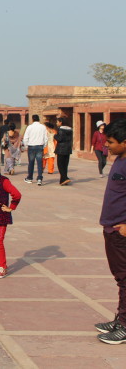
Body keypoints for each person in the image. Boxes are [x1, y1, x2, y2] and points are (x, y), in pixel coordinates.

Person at [95, 119, 126, 344]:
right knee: (120, 277)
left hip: (121, 229)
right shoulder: (119, 160)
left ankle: (125, 325)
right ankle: (121, 318)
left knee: (125, 278)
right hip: (111, 227)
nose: (107, 145)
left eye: (111, 142)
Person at [22, 115, 48, 186]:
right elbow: (46, 138)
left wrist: (26, 146)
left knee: (31, 163)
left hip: (31, 146)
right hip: (40, 146)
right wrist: (44, 146)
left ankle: (30, 178)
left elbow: (25, 138)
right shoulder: (43, 127)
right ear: (39, 119)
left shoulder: (29, 127)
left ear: (32, 119)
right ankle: (39, 178)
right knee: (40, 163)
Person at [54, 117, 73, 186]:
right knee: (65, 165)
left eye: (57, 122)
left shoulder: (60, 129)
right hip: (68, 148)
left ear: (60, 122)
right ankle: (62, 180)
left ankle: (65, 178)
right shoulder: (70, 130)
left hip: (61, 149)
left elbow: (60, 139)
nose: (56, 123)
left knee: (60, 165)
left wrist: (55, 136)